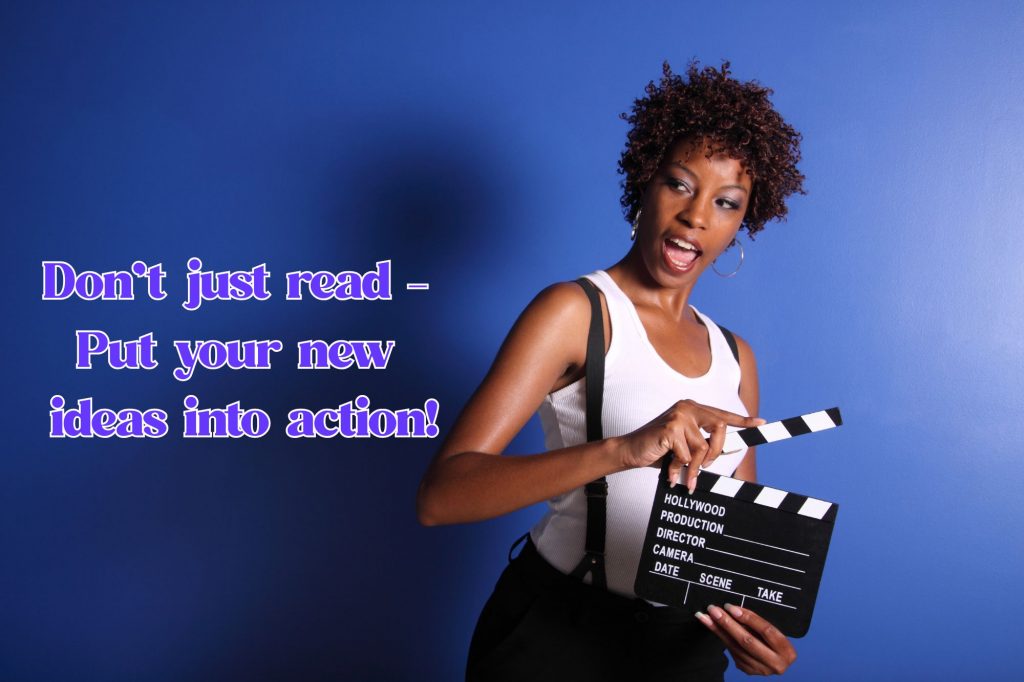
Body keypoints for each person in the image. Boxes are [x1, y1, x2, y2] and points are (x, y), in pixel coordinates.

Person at [417, 60, 807, 680]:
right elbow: (441, 497)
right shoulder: (575, 313)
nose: (696, 216)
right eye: (680, 184)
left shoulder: (737, 356)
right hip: (558, 638)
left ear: (741, 225)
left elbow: (731, 545)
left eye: (726, 202)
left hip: (682, 651)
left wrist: (754, 628)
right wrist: (623, 449)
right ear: (644, 182)